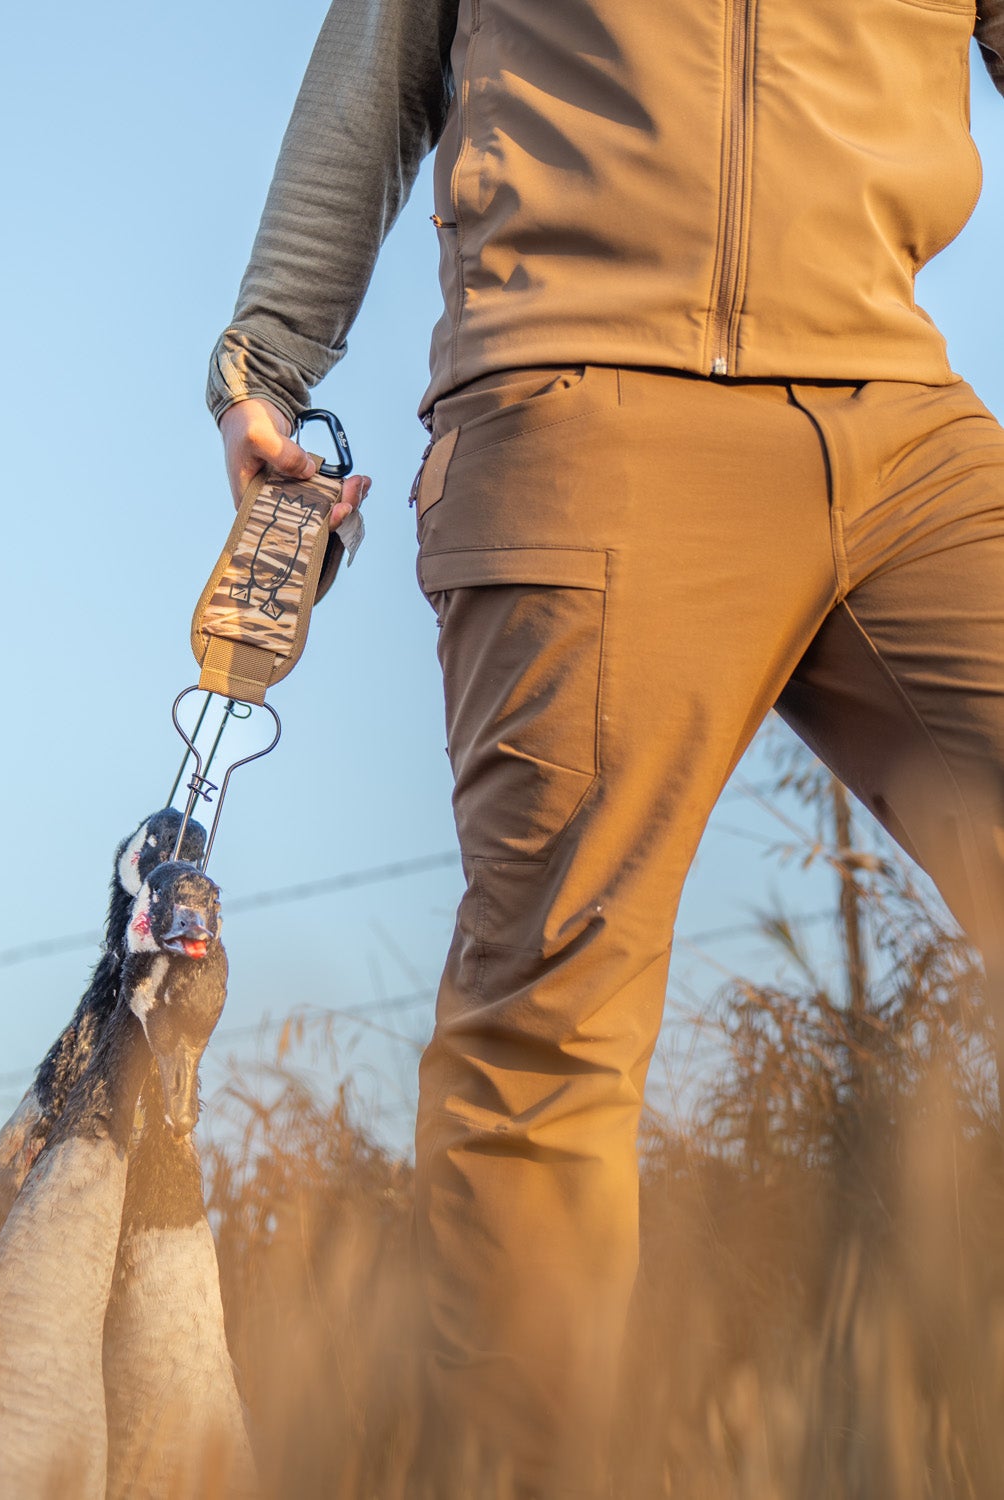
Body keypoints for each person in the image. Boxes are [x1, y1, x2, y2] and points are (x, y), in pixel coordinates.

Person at [209, 0, 1004, 1493]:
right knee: (552, 1027)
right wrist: (265, 364)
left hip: (906, 419)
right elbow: (375, 69)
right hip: (588, 395)